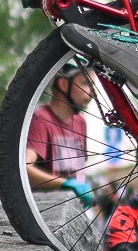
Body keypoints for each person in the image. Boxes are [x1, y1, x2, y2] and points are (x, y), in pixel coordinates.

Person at [24, 65, 98, 201]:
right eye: (86, 84)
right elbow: (24, 169)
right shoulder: (41, 119)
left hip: (74, 207)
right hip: (49, 208)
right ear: (64, 84)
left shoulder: (81, 121)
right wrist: (64, 184)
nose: (92, 93)